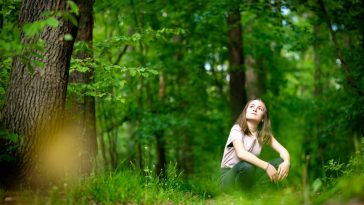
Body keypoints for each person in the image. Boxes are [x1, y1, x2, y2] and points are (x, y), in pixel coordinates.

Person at [220, 99, 290, 192]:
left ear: (263, 118)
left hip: (250, 174)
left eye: (260, 108)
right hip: (229, 176)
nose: (254, 109)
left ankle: (255, 191)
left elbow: (283, 151)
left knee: (281, 162)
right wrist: (267, 166)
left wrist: (287, 162)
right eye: (251, 106)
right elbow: (241, 153)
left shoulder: (262, 134)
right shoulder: (237, 129)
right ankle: (247, 193)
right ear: (246, 112)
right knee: (246, 166)